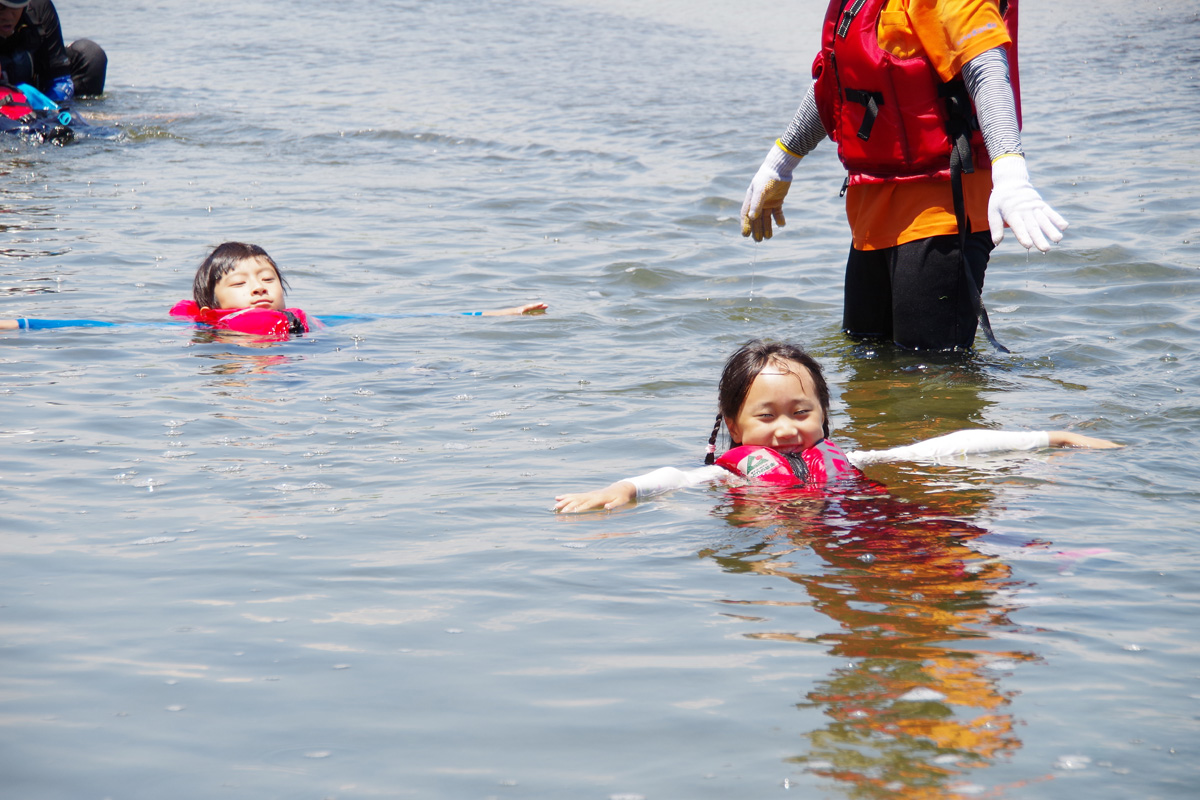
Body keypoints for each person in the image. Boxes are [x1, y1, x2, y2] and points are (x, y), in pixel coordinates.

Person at [740, 0, 1067, 352]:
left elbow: (986, 69)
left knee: (932, 382)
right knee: (865, 368)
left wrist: (1010, 171)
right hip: (873, 213)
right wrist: (780, 162)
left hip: (942, 209)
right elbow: (839, 81)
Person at [553, 339, 1117, 513]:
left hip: (864, 525)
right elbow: (673, 478)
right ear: (732, 424)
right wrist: (620, 489)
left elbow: (945, 448)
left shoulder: (850, 460)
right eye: (765, 416)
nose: (786, 430)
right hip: (803, 544)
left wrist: (1051, 438)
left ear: (824, 415)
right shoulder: (729, 476)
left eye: (802, 413)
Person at [0, 241, 548, 336]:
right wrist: (19, 322)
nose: (259, 289)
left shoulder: (309, 322)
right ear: (213, 302)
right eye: (240, 283)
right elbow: (107, 328)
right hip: (245, 376)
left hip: (313, 366)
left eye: (267, 279)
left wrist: (500, 313)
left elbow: (409, 320)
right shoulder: (208, 330)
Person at [0, 0, 106, 103]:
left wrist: (50, 110)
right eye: (1, 8)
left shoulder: (39, 8)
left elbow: (60, 81)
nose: (8, 16)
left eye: (15, 6)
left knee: (91, 55)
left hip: (33, 96)